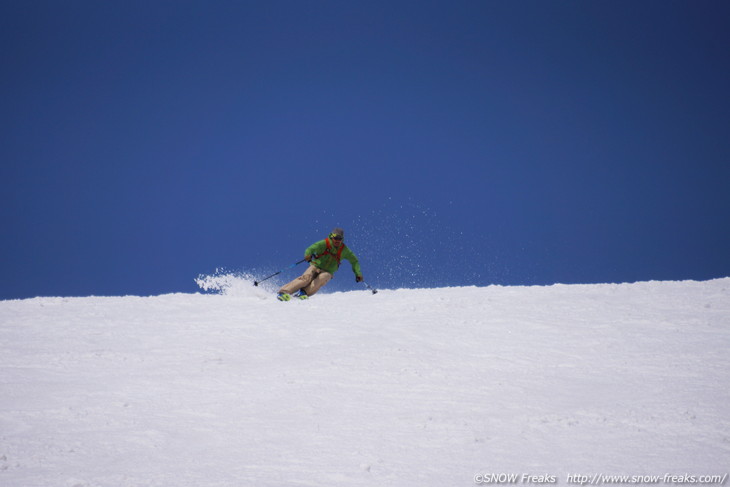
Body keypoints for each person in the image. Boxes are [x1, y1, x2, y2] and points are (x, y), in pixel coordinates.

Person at [277, 227, 363, 301]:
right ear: (331, 236)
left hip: (328, 271)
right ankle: (283, 292)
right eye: (335, 238)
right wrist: (308, 255)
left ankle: (304, 293)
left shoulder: (344, 250)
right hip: (316, 265)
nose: (337, 240)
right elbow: (310, 249)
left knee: (323, 278)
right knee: (306, 278)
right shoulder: (324, 243)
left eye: (339, 238)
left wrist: (358, 273)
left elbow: (354, 261)